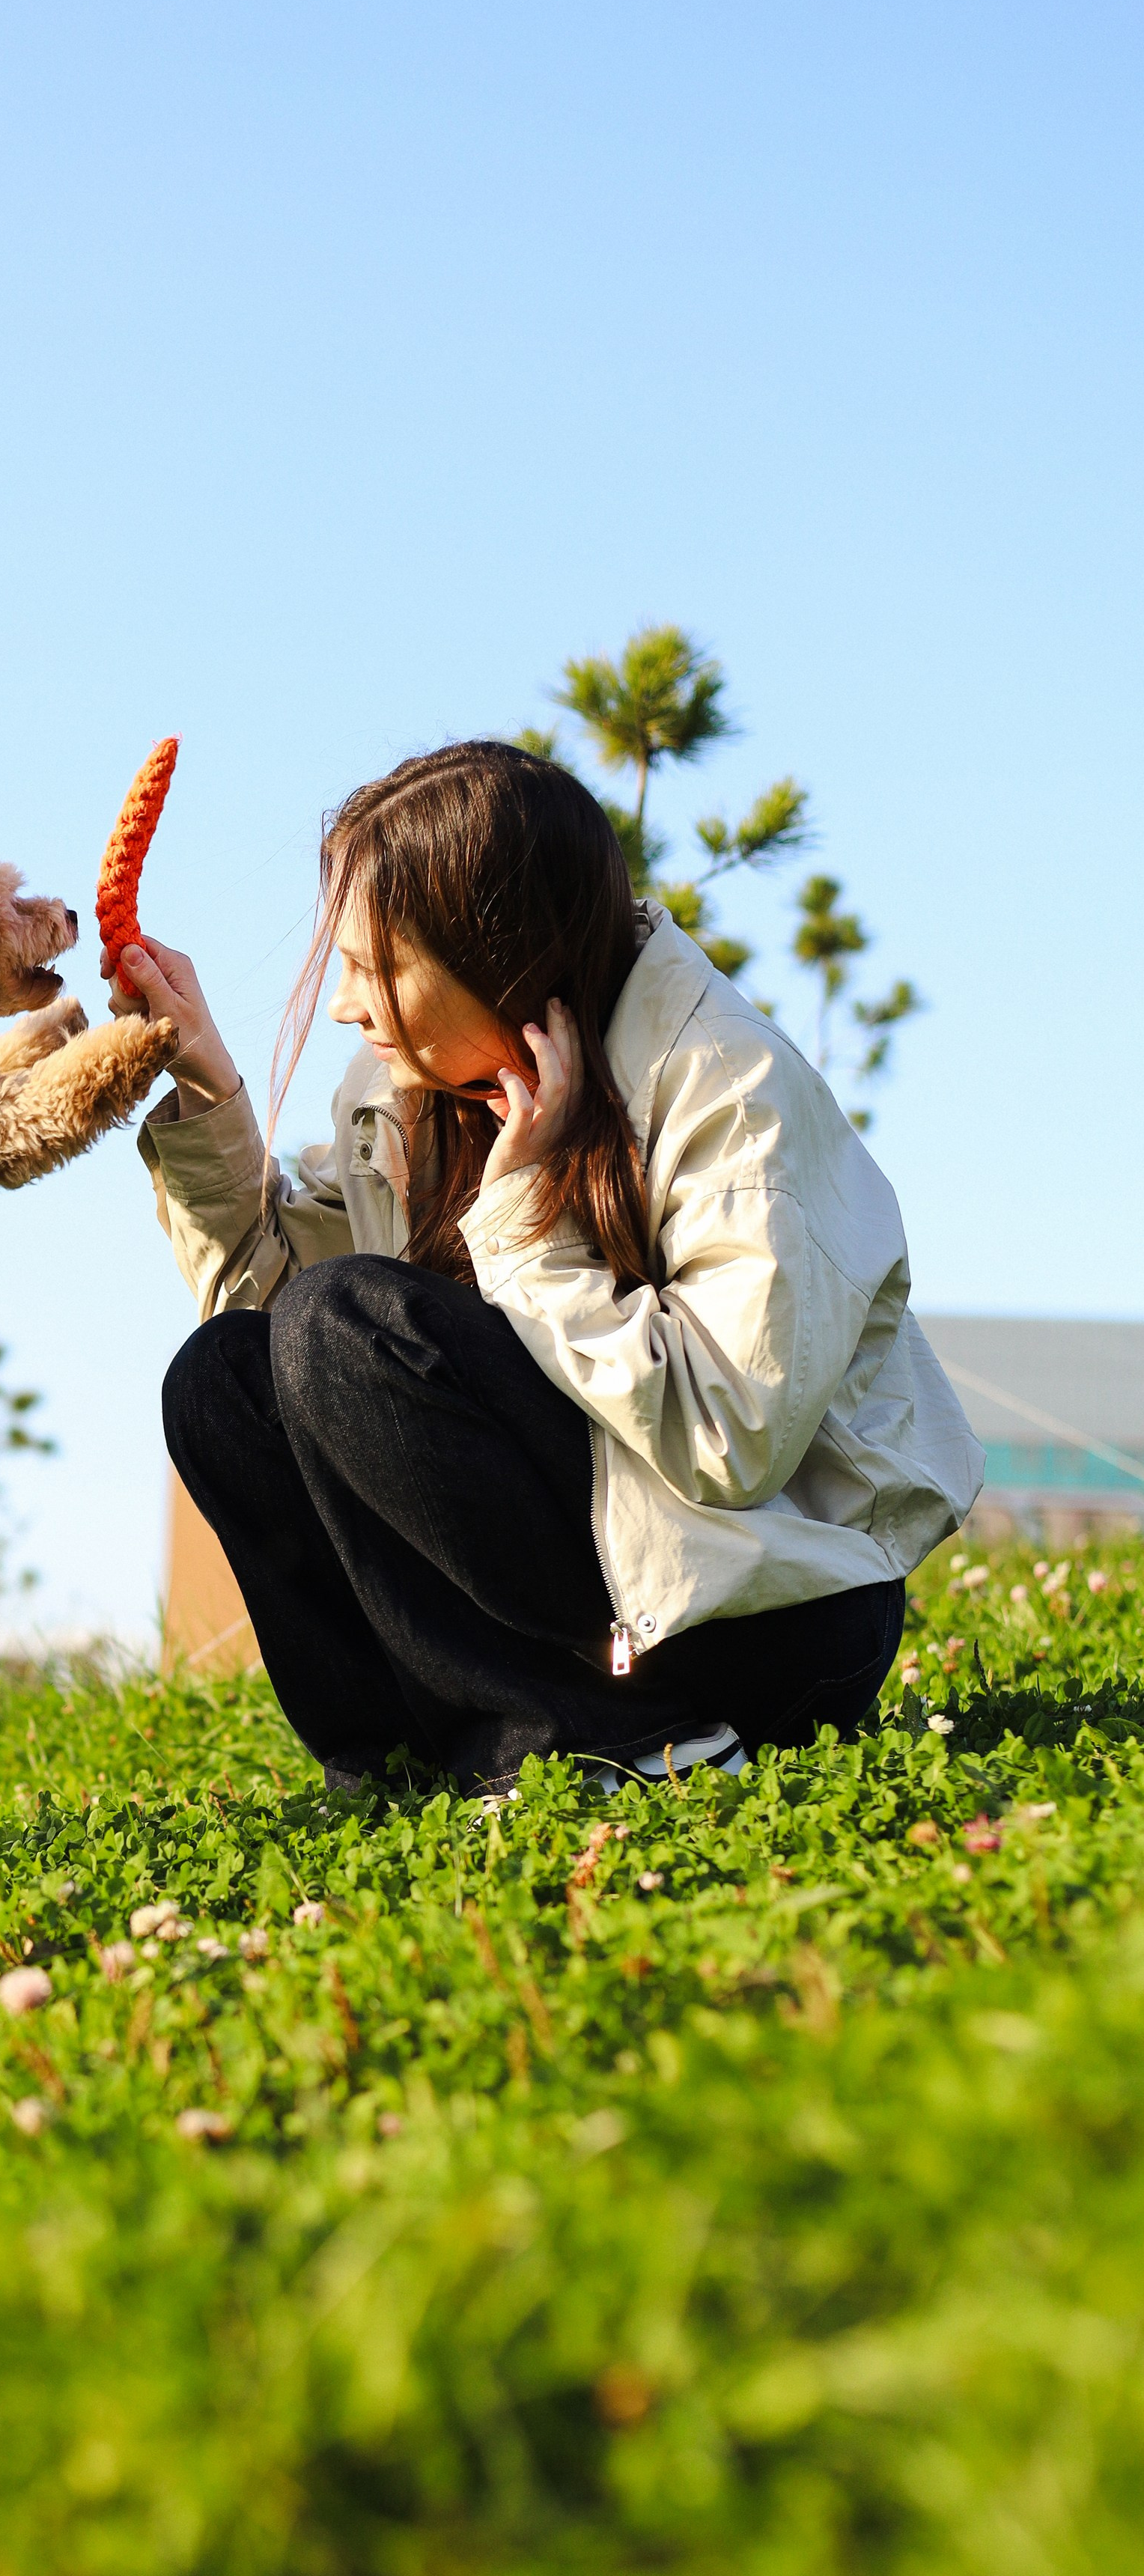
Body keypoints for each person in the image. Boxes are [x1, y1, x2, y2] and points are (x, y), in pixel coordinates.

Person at [107, 739, 981, 1793]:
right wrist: (207, 1093)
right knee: (223, 1377)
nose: (343, 1003)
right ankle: (403, 1766)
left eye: (375, 969)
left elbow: (731, 1436)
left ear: (500, 953)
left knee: (341, 1320)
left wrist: (526, 1232)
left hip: (764, 1621)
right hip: (605, 1598)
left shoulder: (726, 1089)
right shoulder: (411, 1096)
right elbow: (291, 1353)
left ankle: (632, 1743)